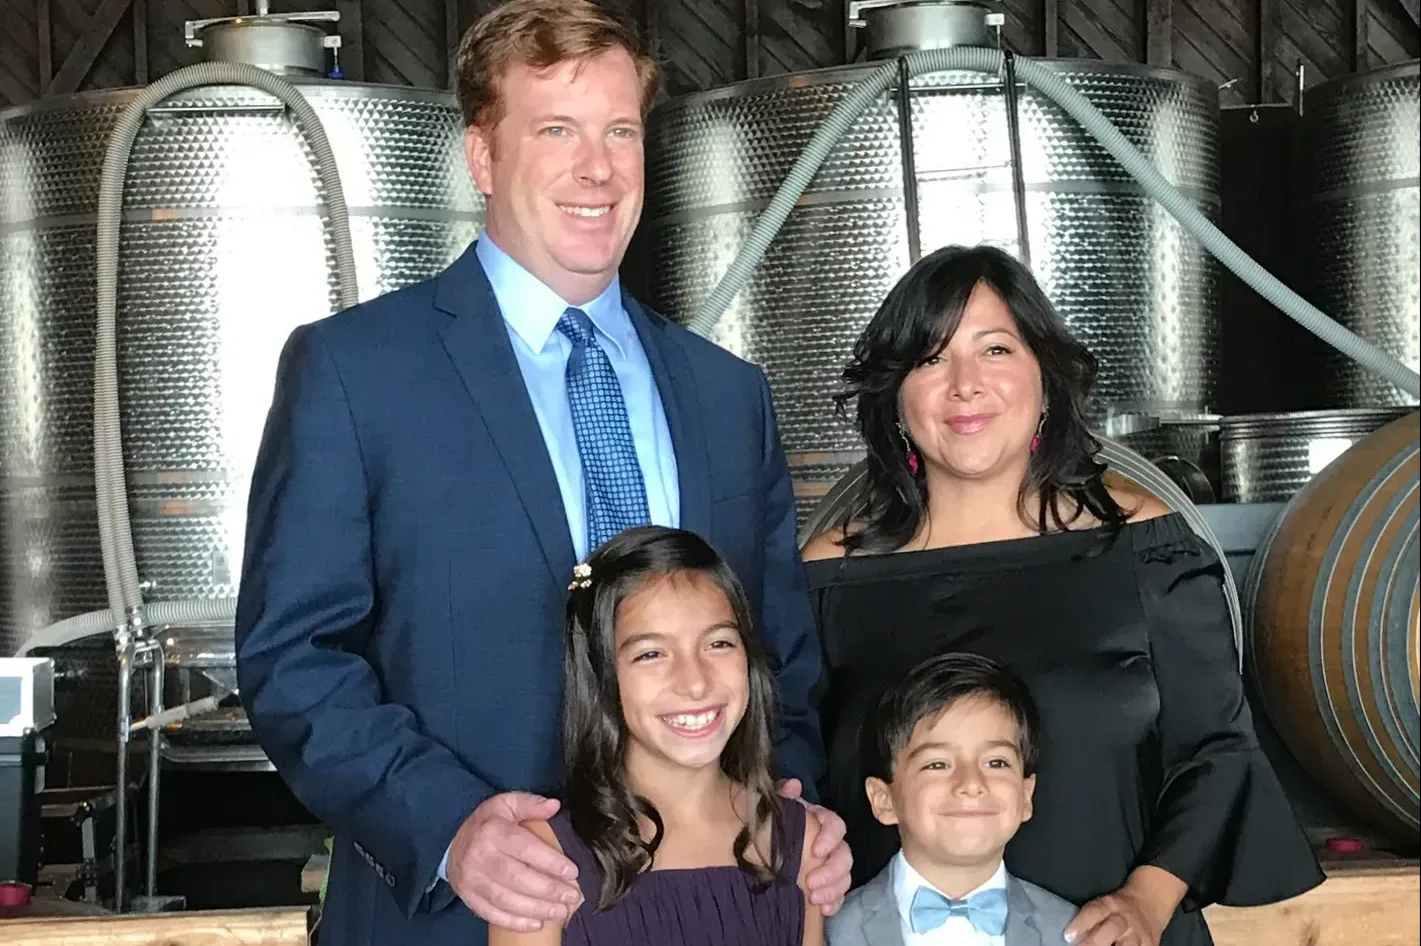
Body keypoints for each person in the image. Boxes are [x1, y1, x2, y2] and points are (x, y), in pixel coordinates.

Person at [233, 3, 851, 945]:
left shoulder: (729, 396)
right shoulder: (356, 372)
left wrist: (794, 814)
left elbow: (783, 660)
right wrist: (446, 828)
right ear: (482, 157)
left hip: (709, 913)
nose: (596, 168)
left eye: (618, 131)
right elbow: (294, 660)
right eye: (555, 130)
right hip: (458, 916)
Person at [802, 244, 1324, 946]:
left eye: (994, 350)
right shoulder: (829, 572)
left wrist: (1145, 900)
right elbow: (785, 765)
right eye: (930, 359)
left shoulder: (1147, 547)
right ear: (895, 396)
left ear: (1044, 377)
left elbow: (1216, 750)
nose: (964, 384)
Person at [491, 526, 824, 946]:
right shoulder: (542, 859)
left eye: (719, 643)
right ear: (602, 677)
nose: (695, 682)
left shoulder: (800, 839)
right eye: (651, 654)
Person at [827, 652, 1076, 946]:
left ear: (1025, 795)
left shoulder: (1073, 932)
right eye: (937, 764)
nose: (971, 784)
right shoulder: (829, 931)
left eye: (996, 762)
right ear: (884, 800)